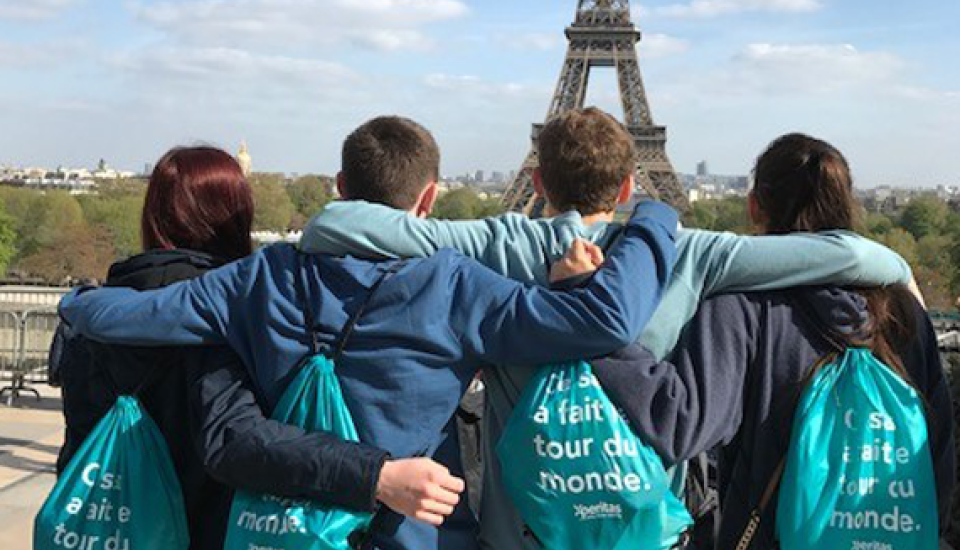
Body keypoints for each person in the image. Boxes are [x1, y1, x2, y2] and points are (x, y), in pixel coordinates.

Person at [296, 108, 916, 549]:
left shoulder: (494, 243)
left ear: (537, 184)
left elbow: (344, 226)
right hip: (640, 527)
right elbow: (847, 254)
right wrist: (900, 270)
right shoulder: (690, 253)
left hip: (521, 528)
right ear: (628, 186)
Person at [57, 116, 679, 550]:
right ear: (429, 199)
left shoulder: (258, 277)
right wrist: (650, 217)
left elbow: (133, 316)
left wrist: (77, 301)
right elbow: (600, 320)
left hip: (280, 530)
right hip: (414, 531)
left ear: (340, 187)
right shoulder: (456, 287)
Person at [54, 146, 465, 550]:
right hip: (205, 530)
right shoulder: (227, 309)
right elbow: (236, 440)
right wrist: (375, 476)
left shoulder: (93, 310)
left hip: (101, 526)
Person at [585, 133, 955, 549]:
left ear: (754, 205)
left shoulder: (741, 307)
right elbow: (936, 443)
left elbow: (680, 426)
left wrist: (602, 331)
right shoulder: (903, 308)